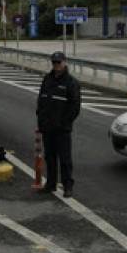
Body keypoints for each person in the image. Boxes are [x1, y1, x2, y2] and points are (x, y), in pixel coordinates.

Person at [36, 51, 82, 198]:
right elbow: (41, 101)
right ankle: (51, 184)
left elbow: (75, 107)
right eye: (54, 63)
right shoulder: (47, 79)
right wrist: (41, 120)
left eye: (59, 62)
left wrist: (64, 123)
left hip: (62, 129)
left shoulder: (71, 83)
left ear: (64, 62)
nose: (56, 65)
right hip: (47, 128)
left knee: (65, 159)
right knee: (49, 157)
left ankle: (68, 186)